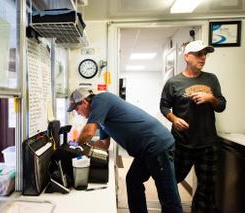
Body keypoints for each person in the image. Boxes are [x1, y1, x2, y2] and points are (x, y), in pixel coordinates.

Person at [67, 88, 183, 213]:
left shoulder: (100, 100)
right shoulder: (101, 116)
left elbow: (89, 131)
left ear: (84, 102)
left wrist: (74, 145)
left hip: (156, 144)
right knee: (133, 180)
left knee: (167, 193)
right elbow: (104, 144)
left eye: (76, 109)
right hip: (145, 150)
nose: (78, 113)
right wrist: (87, 150)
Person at [160, 40, 226, 212]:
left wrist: (211, 98)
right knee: (170, 181)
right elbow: (164, 106)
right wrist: (173, 118)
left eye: (205, 54)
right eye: (199, 54)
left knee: (207, 189)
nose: (203, 58)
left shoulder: (211, 79)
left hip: (207, 143)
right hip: (181, 142)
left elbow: (221, 105)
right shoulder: (173, 82)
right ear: (187, 56)